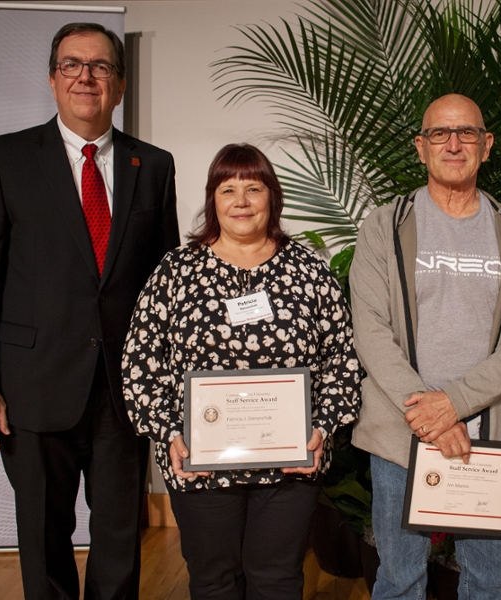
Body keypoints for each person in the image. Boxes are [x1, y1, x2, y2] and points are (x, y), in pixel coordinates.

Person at [0, 22, 179, 600]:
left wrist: (169, 385)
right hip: (32, 387)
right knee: (43, 540)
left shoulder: (151, 165)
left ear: (119, 85)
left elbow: (163, 287)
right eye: (73, 65)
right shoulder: (4, 159)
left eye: (101, 66)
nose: (87, 77)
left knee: (120, 540)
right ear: (53, 80)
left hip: (124, 392)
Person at [123, 143, 362, 600]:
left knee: (278, 578)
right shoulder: (176, 272)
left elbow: (343, 362)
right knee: (213, 580)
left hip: (290, 465)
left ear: (272, 196)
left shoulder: (309, 273)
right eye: (227, 189)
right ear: (212, 198)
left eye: (254, 188)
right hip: (200, 462)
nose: (241, 201)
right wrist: (171, 432)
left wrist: (321, 427)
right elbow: (139, 364)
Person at [350, 94, 501, 600]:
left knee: (489, 582)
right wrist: (428, 413)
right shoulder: (384, 226)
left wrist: (454, 405)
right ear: (421, 147)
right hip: (401, 431)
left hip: (490, 436)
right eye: (440, 133)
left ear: (487, 146)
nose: (454, 143)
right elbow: (370, 326)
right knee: (398, 581)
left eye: (466, 133)